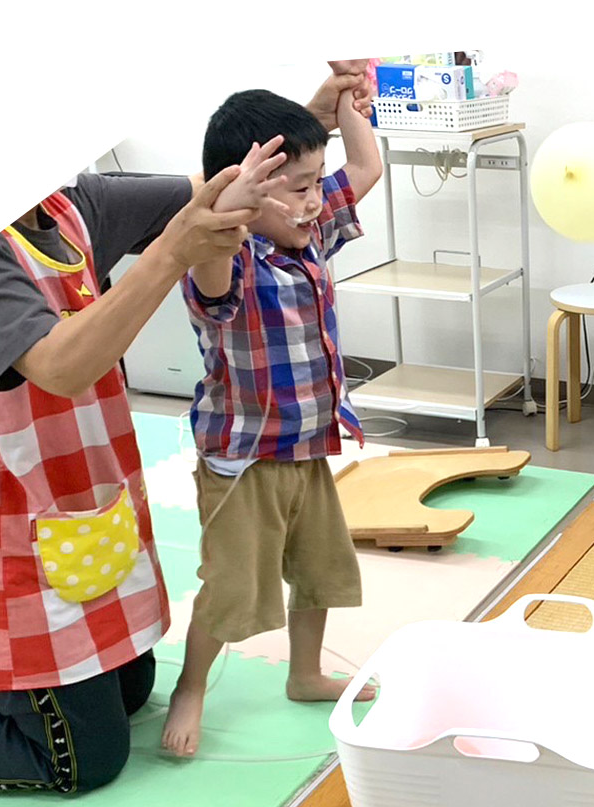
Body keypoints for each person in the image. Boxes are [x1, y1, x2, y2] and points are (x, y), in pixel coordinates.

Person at [0, 66, 373, 794]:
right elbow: (62, 365)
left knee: (131, 691)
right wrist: (174, 251)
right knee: (80, 758)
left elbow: (217, 185)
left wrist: (299, 135)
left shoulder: (75, 208)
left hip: (77, 513)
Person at [159, 79, 384, 758]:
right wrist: (237, 196)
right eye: (295, 187)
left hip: (308, 448)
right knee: (231, 585)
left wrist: (350, 99)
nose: (315, 199)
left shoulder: (308, 239)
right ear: (247, 192)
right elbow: (218, 239)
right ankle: (192, 686)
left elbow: (367, 167)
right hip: (243, 463)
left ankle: (304, 671)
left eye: (317, 182)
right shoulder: (225, 261)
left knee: (320, 568)